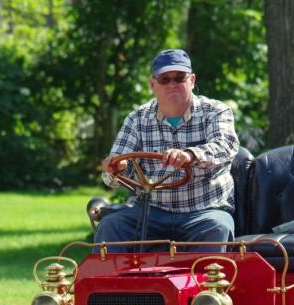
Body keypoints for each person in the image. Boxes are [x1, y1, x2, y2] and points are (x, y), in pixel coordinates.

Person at [96, 48, 240, 252]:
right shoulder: (137, 118)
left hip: (204, 211)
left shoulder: (215, 111)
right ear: (152, 84)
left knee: (218, 226)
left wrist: (190, 155)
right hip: (151, 210)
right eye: (164, 79)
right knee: (110, 226)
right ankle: (112, 284)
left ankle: (207, 285)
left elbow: (226, 146)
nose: (172, 84)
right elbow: (113, 174)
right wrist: (115, 168)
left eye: (179, 78)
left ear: (191, 80)